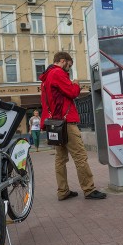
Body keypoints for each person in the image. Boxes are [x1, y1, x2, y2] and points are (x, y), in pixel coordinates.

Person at [39, 51, 107, 200]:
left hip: (55, 124)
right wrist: (76, 84)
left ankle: (63, 191)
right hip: (66, 123)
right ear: (62, 61)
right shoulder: (57, 73)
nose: (68, 69)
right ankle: (89, 189)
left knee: (60, 159)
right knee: (80, 156)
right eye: (68, 66)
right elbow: (72, 92)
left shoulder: (46, 77)